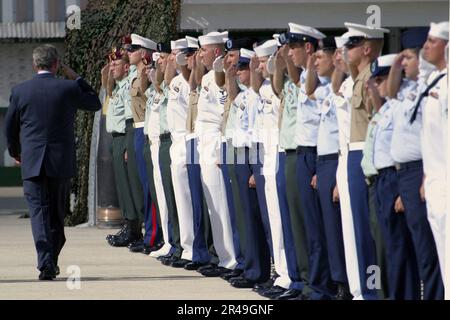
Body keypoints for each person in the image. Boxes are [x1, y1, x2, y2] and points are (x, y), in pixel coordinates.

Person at [5, 44, 101, 280]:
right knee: (57, 215)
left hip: (32, 161)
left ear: (34, 64)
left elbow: (10, 127)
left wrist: (16, 152)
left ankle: (46, 261)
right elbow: (95, 103)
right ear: (57, 65)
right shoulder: (67, 88)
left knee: (38, 213)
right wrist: (76, 77)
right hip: (60, 162)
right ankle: (50, 261)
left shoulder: (20, 91)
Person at [343, 22, 390, 299]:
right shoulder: (359, 78)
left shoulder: (372, 80)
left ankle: (374, 292)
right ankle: (365, 291)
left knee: (370, 231)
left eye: (353, 45)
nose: (347, 50)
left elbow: (378, 123)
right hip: (355, 153)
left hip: (366, 155)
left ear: (368, 48)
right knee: (359, 230)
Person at [417, 21, 448, 297]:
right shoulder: (434, 82)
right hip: (436, 180)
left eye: (433, 41)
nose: (426, 46)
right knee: (442, 251)